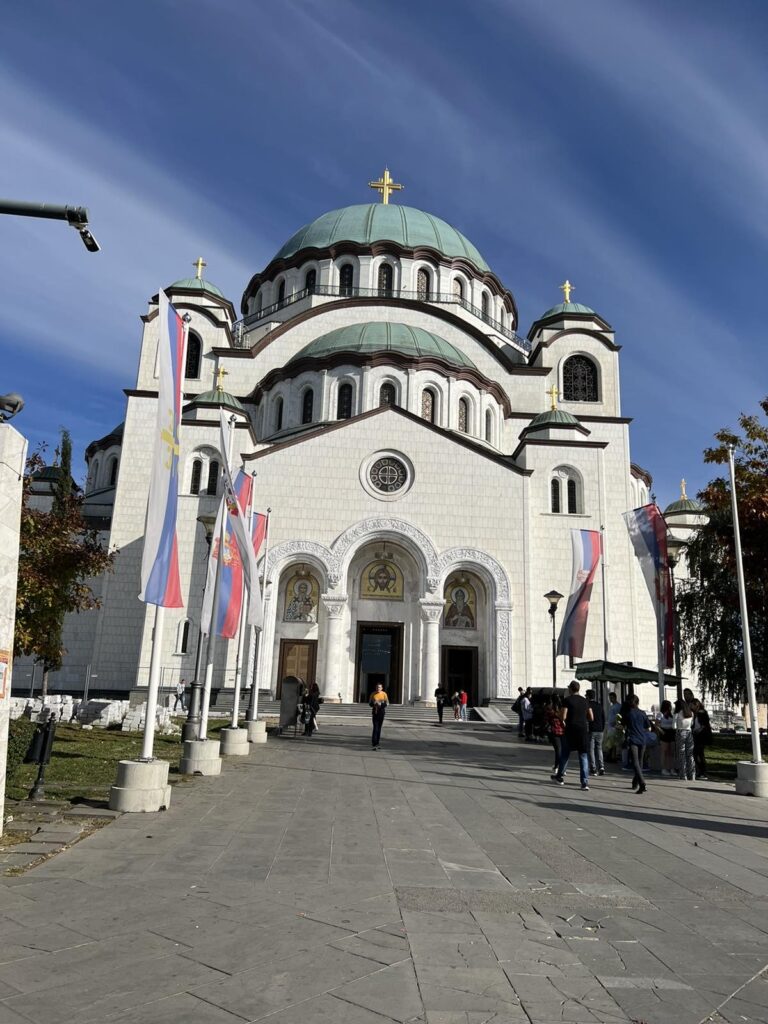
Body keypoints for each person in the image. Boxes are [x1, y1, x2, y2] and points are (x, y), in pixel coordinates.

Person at [554, 681, 593, 790]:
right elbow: (591, 717)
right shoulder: (585, 701)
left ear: (571, 689)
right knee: (583, 756)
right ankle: (584, 783)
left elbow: (563, 716)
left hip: (571, 730)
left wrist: (559, 715)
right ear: (578, 689)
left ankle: (560, 777)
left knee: (565, 754)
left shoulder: (567, 700)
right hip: (582, 730)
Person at [626, 694, 652, 794]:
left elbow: (623, 726)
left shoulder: (628, 714)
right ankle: (635, 782)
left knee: (635, 762)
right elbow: (648, 728)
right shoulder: (643, 713)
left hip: (633, 739)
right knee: (640, 762)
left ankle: (642, 783)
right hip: (642, 739)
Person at [691, 699, 712, 780]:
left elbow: (703, 724)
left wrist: (697, 730)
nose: (691, 707)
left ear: (696, 705)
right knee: (697, 754)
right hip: (697, 735)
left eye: (692, 705)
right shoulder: (696, 713)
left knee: (699, 754)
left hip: (701, 735)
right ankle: (700, 771)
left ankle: (703, 772)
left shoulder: (701, 712)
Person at [586, 690, 606, 776]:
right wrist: (602, 728)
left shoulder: (587, 705)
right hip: (600, 730)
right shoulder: (599, 705)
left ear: (587, 696)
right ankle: (601, 767)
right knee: (599, 748)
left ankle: (593, 769)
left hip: (591, 729)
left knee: (591, 749)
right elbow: (604, 718)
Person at [674, 697, 695, 780]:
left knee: (681, 754)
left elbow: (673, 726)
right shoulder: (691, 713)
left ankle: (683, 774)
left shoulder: (677, 714)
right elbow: (692, 724)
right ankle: (692, 774)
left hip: (680, 732)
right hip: (689, 732)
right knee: (690, 754)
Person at [656, 699, 676, 775]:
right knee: (664, 751)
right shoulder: (660, 714)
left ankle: (671, 768)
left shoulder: (671, 715)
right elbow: (657, 725)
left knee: (671, 752)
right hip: (664, 732)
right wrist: (661, 732)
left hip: (671, 732)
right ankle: (663, 768)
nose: (671, 707)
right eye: (670, 706)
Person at [545, 694, 565, 773]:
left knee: (558, 750)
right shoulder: (562, 708)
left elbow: (546, 719)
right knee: (562, 750)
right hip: (563, 731)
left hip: (554, 731)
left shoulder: (549, 709)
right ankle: (561, 766)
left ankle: (557, 766)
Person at [369, 683, 388, 749]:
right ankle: (374, 743)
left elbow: (387, 704)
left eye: (379, 687)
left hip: (381, 712)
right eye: (377, 687)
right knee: (375, 728)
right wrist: (373, 703)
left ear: (382, 688)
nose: (378, 688)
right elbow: (370, 703)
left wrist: (380, 704)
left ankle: (377, 742)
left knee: (379, 728)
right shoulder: (373, 694)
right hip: (375, 712)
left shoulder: (384, 694)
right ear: (375, 688)